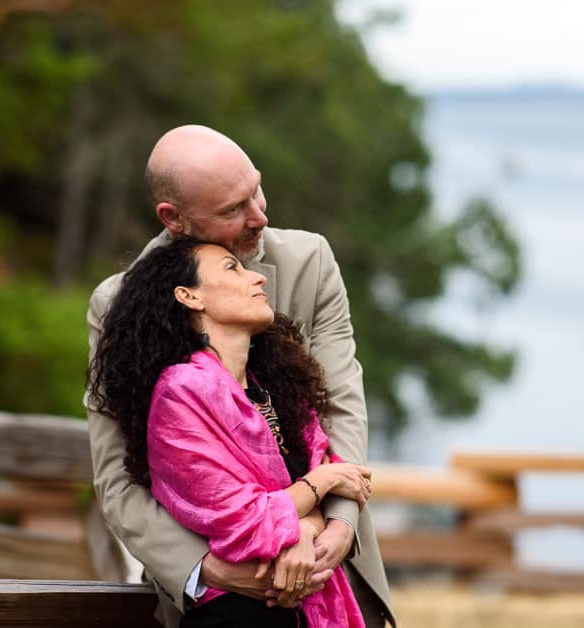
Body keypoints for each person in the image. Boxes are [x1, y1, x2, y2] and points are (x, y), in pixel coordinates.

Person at [86, 125, 394, 627]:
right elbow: (118, 479)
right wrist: (213, 571)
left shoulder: (309, 264)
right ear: (174, 218)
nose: (260, 216)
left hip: (333, 572)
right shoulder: (115, 305)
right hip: (216, 601)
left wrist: (332, 527)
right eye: (233, 209)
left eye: (257, 189)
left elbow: (341, 408)